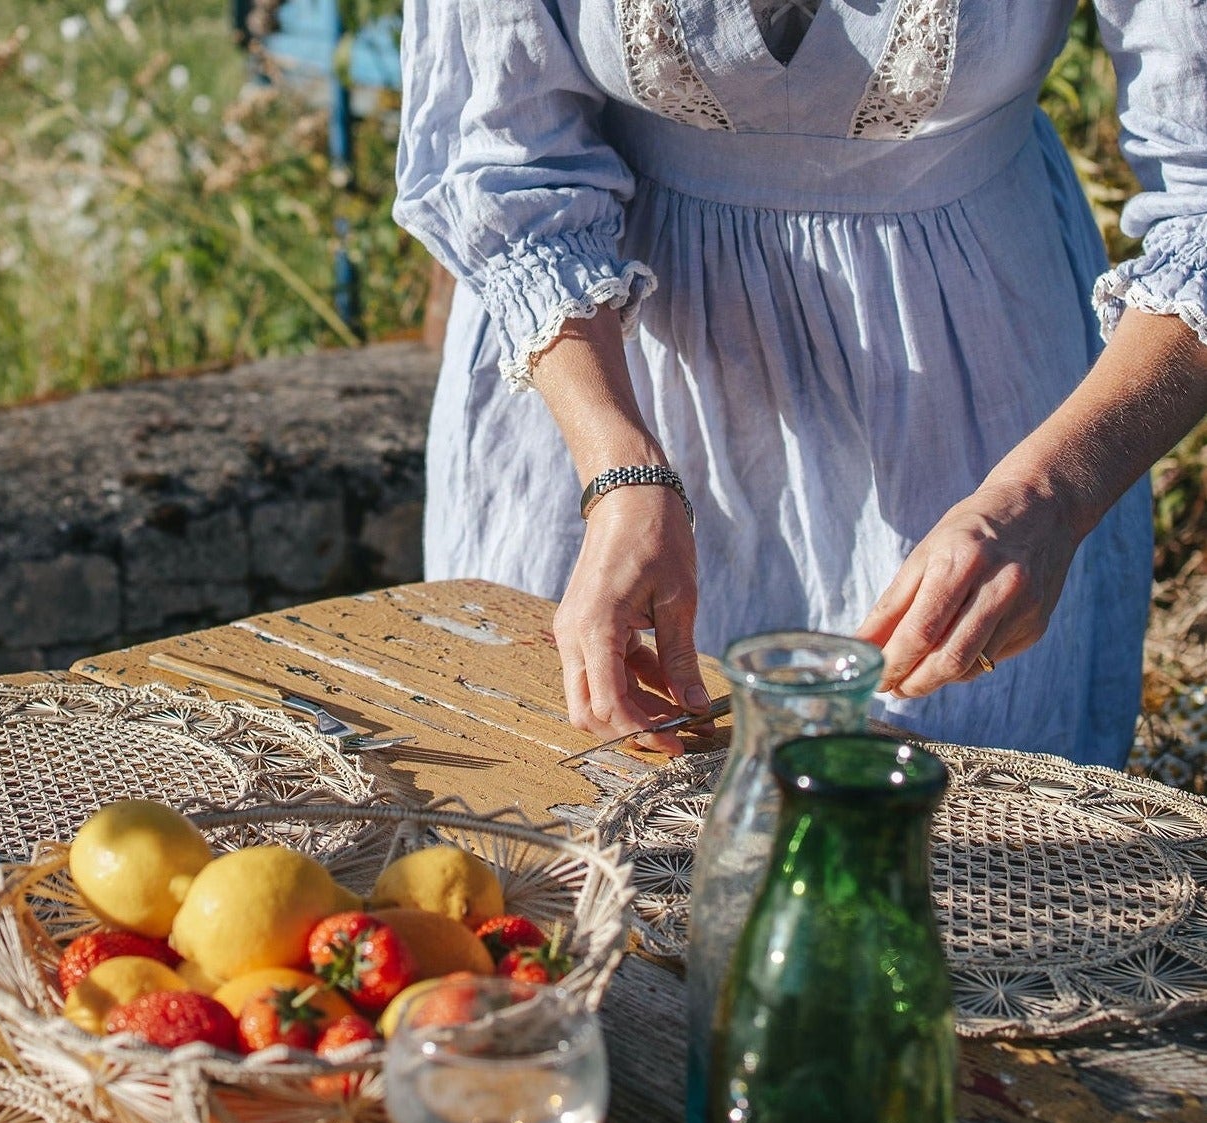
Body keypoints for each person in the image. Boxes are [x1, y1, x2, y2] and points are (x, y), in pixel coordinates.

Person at [394, 2, 1207, 765]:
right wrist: (614, 470)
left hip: (986, 422)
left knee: (949, 872)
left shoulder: (1030, 486)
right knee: (563, 849)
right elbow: (497, 150)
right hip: (599, 384)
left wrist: (1049, 495)